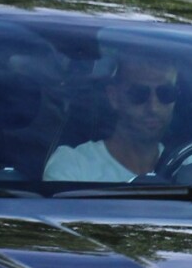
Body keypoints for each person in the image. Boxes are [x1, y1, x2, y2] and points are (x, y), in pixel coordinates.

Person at [45, 55, 182, 181]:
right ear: (113, 97)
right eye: (138, 93)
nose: (153, 107)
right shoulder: (73, 167)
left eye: (166, 93)